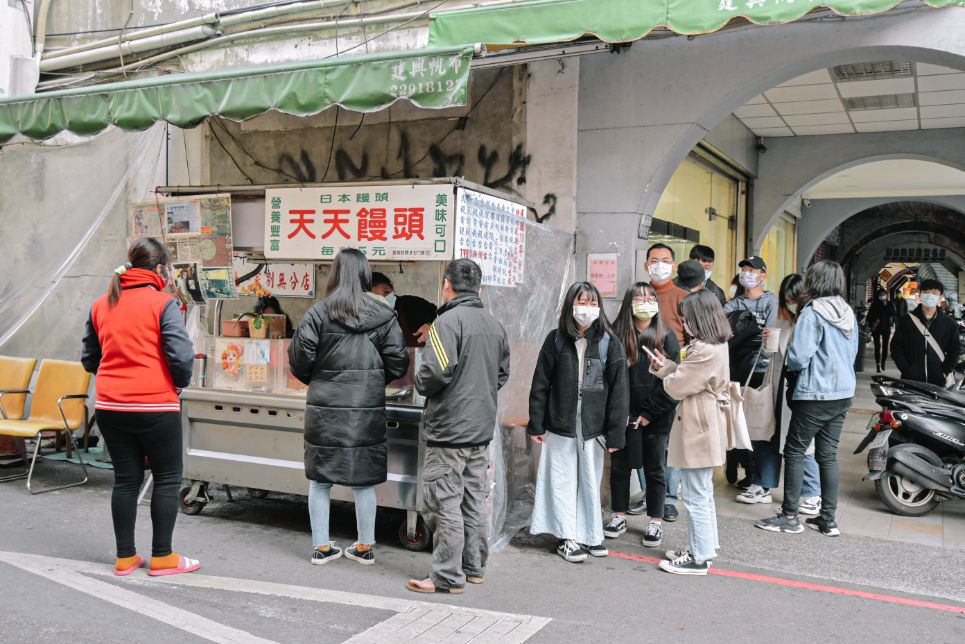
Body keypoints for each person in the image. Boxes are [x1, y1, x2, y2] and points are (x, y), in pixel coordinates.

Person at [80, 238, 199, 577]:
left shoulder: (101, 304)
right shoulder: (163, 304)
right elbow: (181, 357)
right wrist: (178, 382)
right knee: (167, 478)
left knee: (126, 480)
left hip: (110, 406)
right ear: (160, 269)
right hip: (155, 405)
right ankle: (162, 556)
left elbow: (90, 359)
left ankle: (125, 557)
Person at [289, 249, 409, 566]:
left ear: (335, 274)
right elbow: (399, 363)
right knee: (364, 481)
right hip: (366, 407)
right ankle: (365, 547)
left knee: (320, 480)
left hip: (325, 407)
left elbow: (301, 362)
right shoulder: (384, 315)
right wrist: (372, 380)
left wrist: (320, 378)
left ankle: (321, 547)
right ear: (366, 275)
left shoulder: (317, 313)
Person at [405, 259, 510, 594]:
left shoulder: (445, 323)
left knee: (444, 503)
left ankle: (447, 576)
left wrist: (420, 382)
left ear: (447, 285)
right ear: (478, 289)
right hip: (480, 430)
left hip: (449, 430)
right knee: (473, 500)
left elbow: (433, 373)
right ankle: (474, 568)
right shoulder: (494, 325)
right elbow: (502, 374)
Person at [528, 282, 629, 563]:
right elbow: (540, 383)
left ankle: (590, 534)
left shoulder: (610, 342)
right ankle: (567, 537)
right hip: (559, 425)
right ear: (571, 305)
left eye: (592, 302)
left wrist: (616, 433)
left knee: (589, 482)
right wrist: (536, 423)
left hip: (593, 429)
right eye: (581, 302)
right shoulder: (556, 339)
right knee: (560, 481)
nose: (587, 308)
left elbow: (620, 391)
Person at [756, 260, 858, 537]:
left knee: (795, 451)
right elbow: (853, 353)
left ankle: (789, 516)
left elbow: (800, 356)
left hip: (814, 393)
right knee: (827, 455)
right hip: (843, 393)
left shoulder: (812, 313)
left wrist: (790, 361)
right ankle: (828, 519)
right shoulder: (847, 312)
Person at [651, 290, 732, 575]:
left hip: (699, 423)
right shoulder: (713, 344)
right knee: (702, 492)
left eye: (685, 320)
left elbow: (678, 386)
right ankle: (705, 549)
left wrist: (667, 373)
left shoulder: (705, 349)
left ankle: (699, 557)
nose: (683, 325)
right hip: (704, 420)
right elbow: (686, 378)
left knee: (696, 494)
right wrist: (669, 368)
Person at [739, 274, 822, 516]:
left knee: (801, 441)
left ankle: (811, 492)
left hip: (801, 390)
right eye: (786, 299)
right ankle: (762, 484)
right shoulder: (780, 318)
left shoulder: (813, 320)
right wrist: (766, 343)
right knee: (766, 434)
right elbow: (769, 355)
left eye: (794, 298)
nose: (790, 303)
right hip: (775, 385)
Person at [606, 283, 680, 548]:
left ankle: (655, 521)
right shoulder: (615, 336)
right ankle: (619, 515)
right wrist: (620, 412)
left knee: (655, 468)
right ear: (629, 303)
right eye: (638, 298)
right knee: (620, 467)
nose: (645, 302)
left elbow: (674, 381)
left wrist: (650, 412)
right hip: (623, 414)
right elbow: (610, 379)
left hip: (657, 415)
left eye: (650, 298)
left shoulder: (666, 336)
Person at [724, 256, 778, 502]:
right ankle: (746, 471)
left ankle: (759, 480)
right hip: (735, 368)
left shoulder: (770, 301)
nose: (747, 274)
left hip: (759, 369)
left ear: (763, 275)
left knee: (757, 425)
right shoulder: (733, 303)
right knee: (738, 421)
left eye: (752, 270)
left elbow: (771, 335)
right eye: (744, 269)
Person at [890, 279, 961, 387]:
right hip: (911, 381)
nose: (929, 296)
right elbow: (896, 347)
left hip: (938, 382)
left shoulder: (949, 324)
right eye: (926, 292)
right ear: (920, 295)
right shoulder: (907, 321)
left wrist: (945, 371)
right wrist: (907, 369)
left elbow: (955, 351)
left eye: (934, 293)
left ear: (940, 297)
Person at [371, 272, 438, 347]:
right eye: (376, 296)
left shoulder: (411, 304)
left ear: (392, 289)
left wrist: (432, 326)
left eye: (386, 292)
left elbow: (442, 315)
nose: (383, 298)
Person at [645, 243, 688, 345]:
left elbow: (694, 337)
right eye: (654, 261)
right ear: (646, 266)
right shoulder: (637, 296)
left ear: (674, 266)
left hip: (675, 357)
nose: (660, 265)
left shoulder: (685, 297)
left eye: (665, 261)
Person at [866, 290, 896, 373]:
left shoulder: (889, 303)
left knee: (885, 347)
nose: (882, 296)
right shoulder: (875, 304)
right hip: (877, 328)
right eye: (880, 294)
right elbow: (869, 316)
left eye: (883, 294)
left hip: (886, 328)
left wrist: (886, 306)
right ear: (878, 295)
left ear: (886, 295)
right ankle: (878, 365)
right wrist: (873, 324)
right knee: (877, 347)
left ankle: (883, 361)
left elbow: (893, 313)